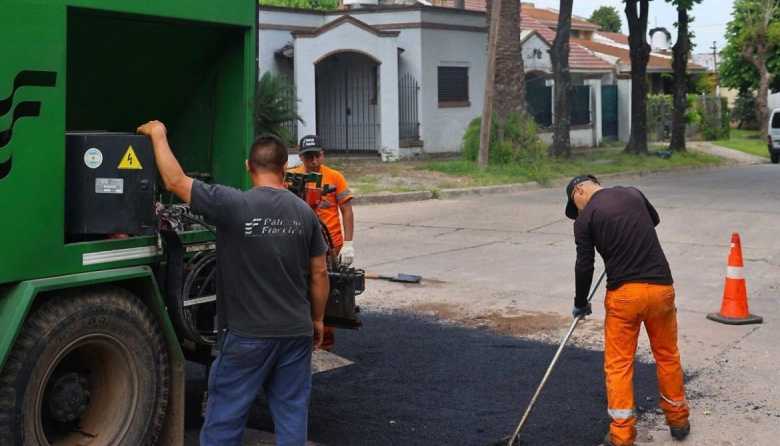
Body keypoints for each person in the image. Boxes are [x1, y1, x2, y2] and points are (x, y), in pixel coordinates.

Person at [136, 120, 329, 446]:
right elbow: (320, 274)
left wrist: (158, 134)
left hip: (246, 336)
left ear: (247, 167)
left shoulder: (232, 204)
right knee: (293, 417)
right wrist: (318, 320)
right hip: (296, 333)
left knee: (224, 420)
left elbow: (175, 181)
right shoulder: (305, 213)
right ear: (285, 167)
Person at [565, 174, 690, 446]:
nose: (579, 212)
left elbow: (584, 265)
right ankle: (678, 420)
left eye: (576, 205)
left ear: (579, 189)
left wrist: (580, 301)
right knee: (667, 355)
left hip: (625, 296)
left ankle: (622, 436)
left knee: (619, 364)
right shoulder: (633, 193)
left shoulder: (585, 220)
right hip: (661, 289)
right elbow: (652, 221)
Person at [289, 134, 354, 351]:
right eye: (309, 157)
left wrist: (349, 243)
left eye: (317, 156)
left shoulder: (334, 178)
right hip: (299, 248)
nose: (314, 162)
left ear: (323, 155)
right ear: (301, 158)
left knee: (325, 295)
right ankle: (299, 340)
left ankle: (324, 345)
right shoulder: (291, 178)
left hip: (329, 249)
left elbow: (346, 210)